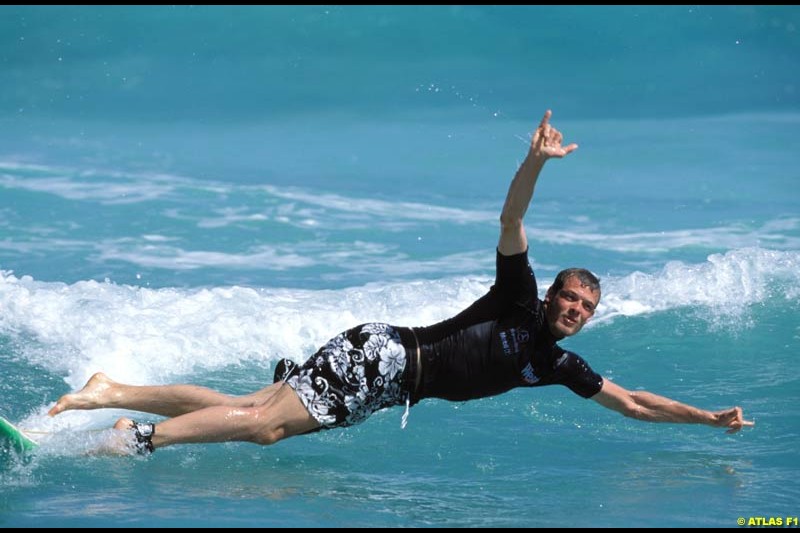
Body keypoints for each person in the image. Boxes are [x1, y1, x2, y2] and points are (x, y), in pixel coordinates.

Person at [47, 110, 754, 455]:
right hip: (384, 356)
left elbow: (632, 402)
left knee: (252, 411)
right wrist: (537, 161)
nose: (573, 307)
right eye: (568, 296)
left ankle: (113, 389)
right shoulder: (516, 295)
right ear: (549, 295)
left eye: (584, 306)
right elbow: (510, 217)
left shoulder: (556, 363)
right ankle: (138, 437)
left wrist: (707, 419)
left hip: (388, 385)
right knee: (262, 424)